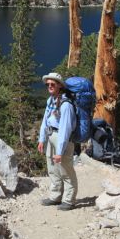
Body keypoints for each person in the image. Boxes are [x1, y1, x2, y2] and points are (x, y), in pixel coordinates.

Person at [37, 72, 78, 211]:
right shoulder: (51, 101)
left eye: (52, 84)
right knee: (52, 168)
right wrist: (41, 139)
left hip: (62, 140)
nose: (49, 86)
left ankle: (69, 200)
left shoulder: (66, 105)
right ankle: (55, 196)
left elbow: (65, 130)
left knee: (65, 169)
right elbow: (45, 120)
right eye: (47, 84)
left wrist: (60, 151)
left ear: (60, 86)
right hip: (50, 136)